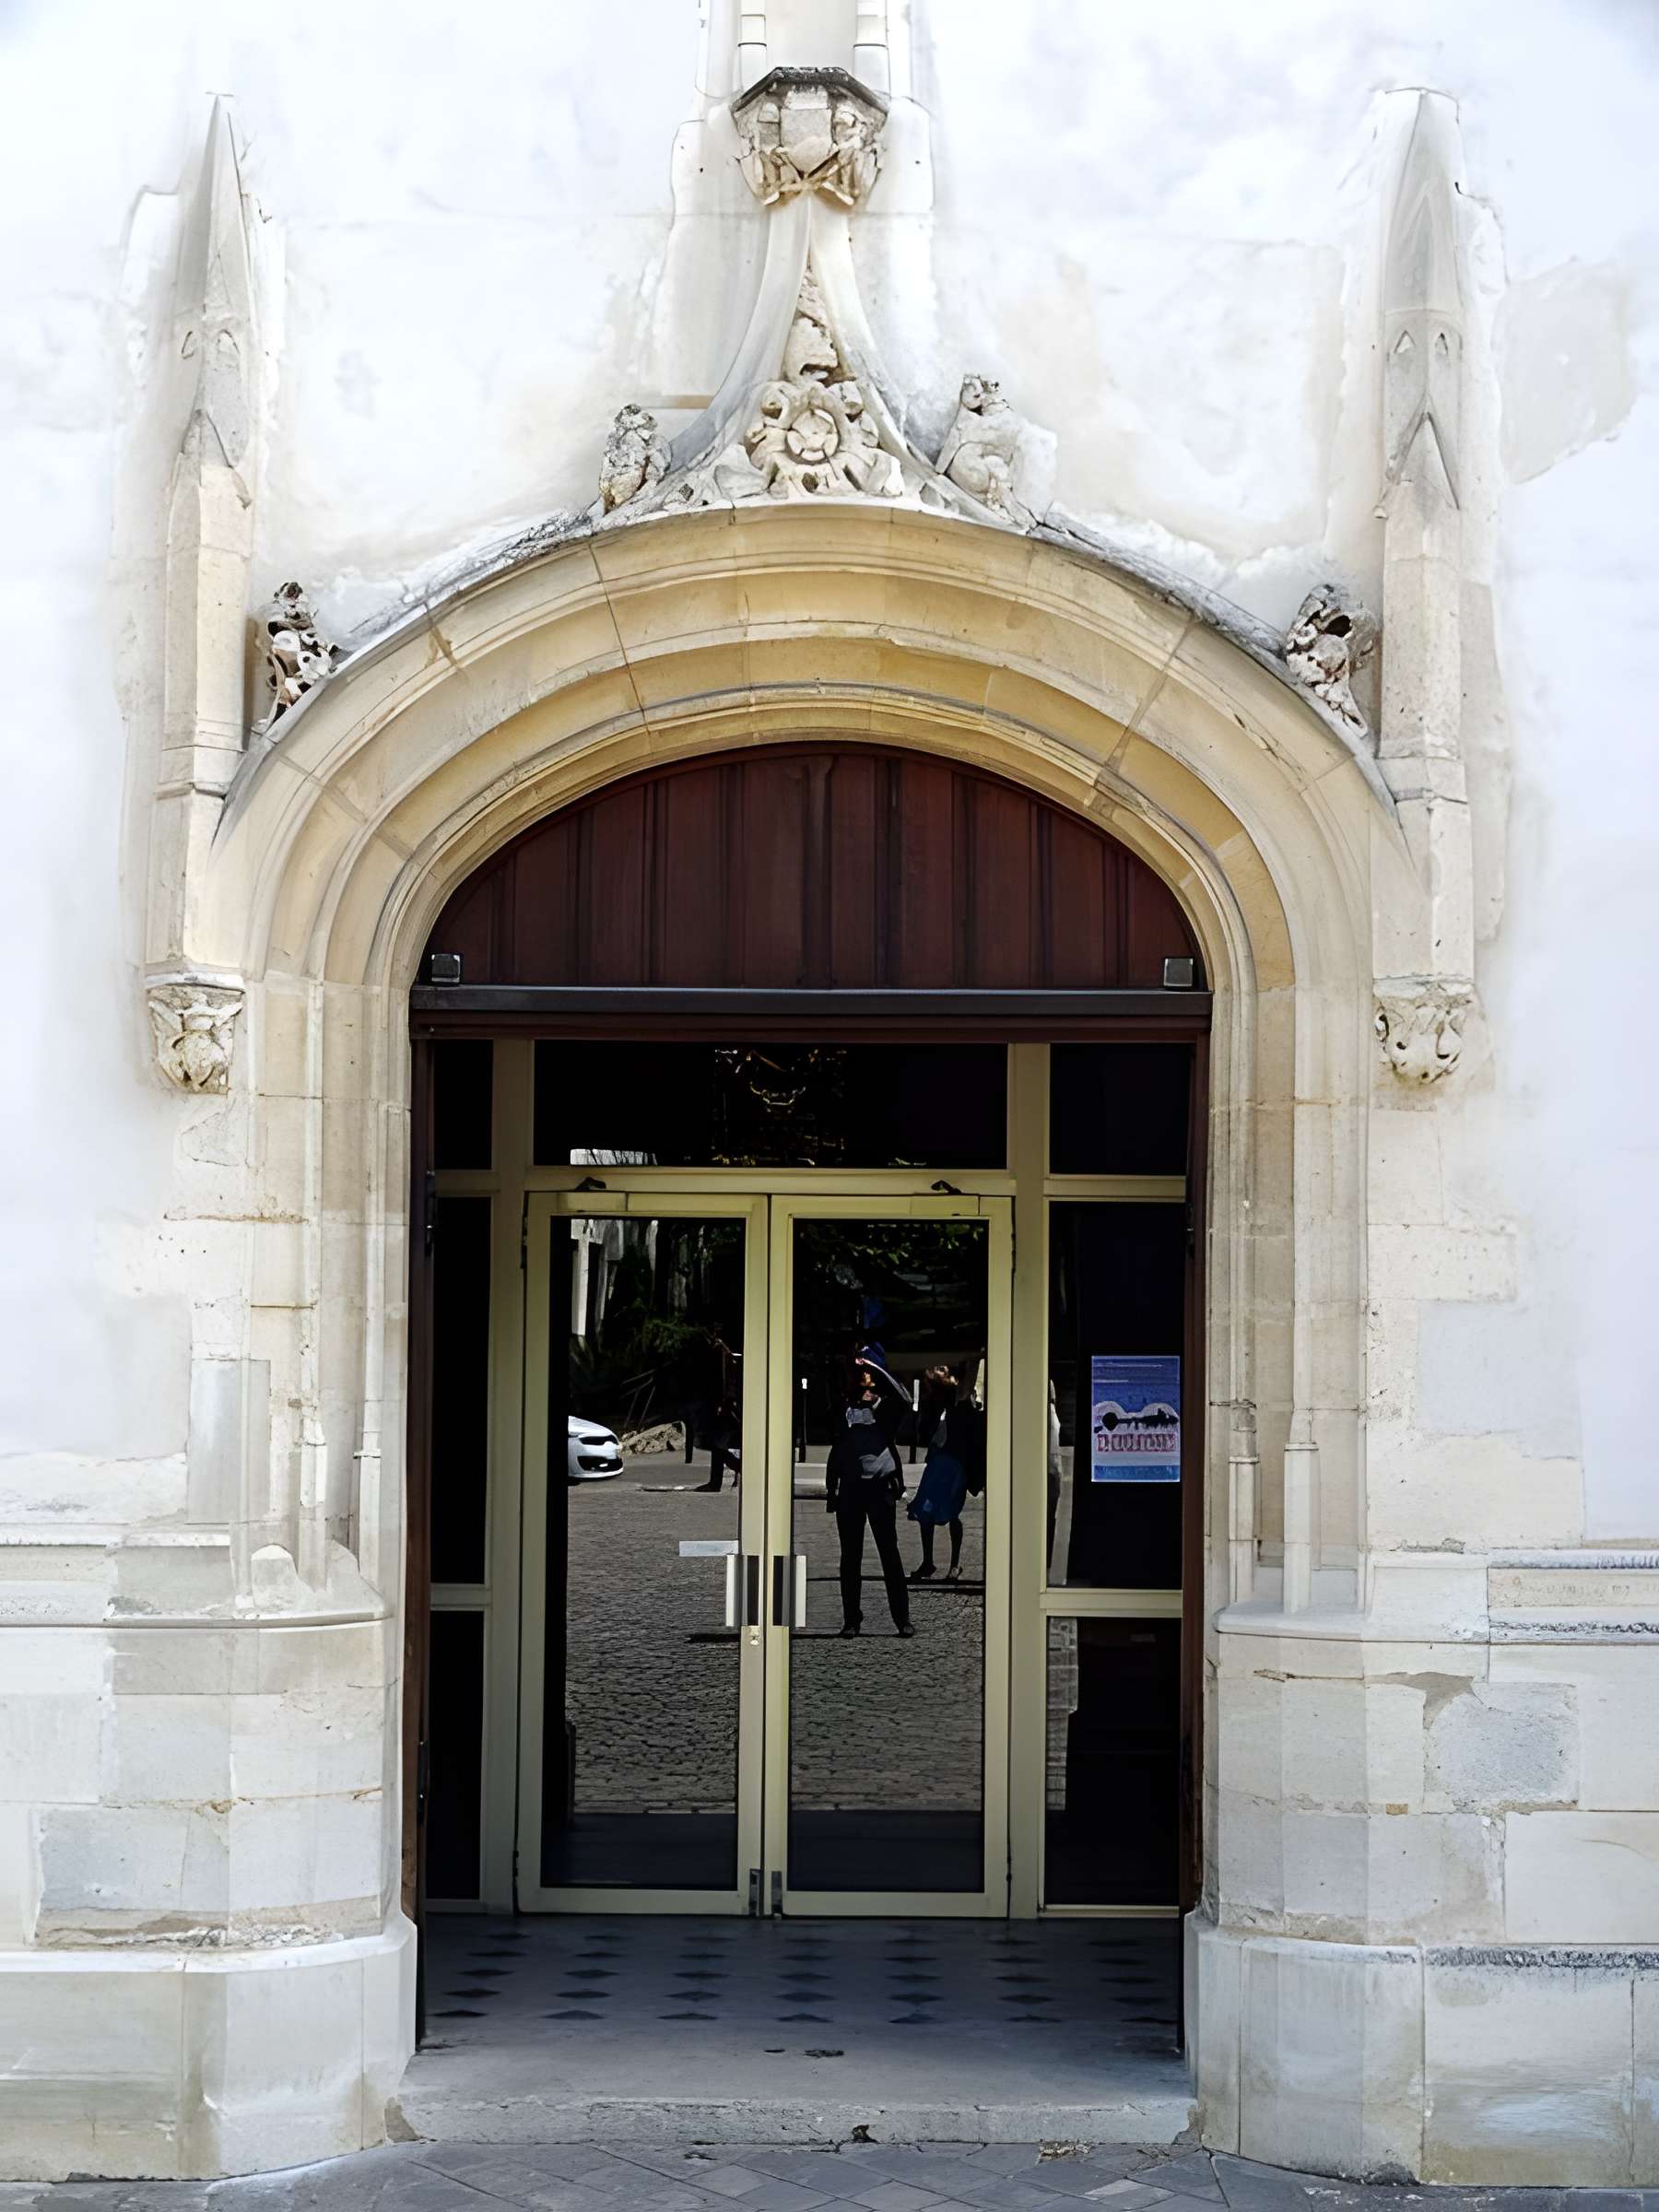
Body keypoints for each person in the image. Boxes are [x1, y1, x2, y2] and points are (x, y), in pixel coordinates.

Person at [825, 1359, 914, 1638]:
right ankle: (851, 1619)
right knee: (850, 1558)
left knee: (890, 1555)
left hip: (880, 1489)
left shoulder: (886, 1412)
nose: (866, 1388)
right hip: (850, 1489)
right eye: (862, 1383)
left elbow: (904, 1398)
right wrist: (832, 1489)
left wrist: (875, 1367)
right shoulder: (844, 1411)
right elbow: (833, 1395)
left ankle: (902, 1618)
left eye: (871, 1385)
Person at [907, 1360, 984, 1582]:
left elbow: (968, 1376)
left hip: (956, 1464)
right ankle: (928, 1562)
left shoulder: (962, 1400)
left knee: (952, 1513)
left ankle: (955, 1564)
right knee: (925, 1511)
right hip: (938, 1462)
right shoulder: (938, 1402)